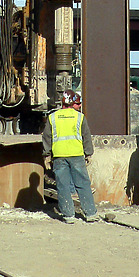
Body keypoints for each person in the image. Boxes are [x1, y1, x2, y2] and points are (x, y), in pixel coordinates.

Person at [42, 89, 98, 224]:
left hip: (59, 156)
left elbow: (47, 137)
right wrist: (88, 153)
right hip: (76, 155)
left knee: (63, 185)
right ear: (73, 103)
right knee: (83, 184)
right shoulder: (80, 117)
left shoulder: (52, 117)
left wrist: (46, 155)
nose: (79, 106)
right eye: (77, 103)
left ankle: (68, 215)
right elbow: (86, 136)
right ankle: (90, 213)